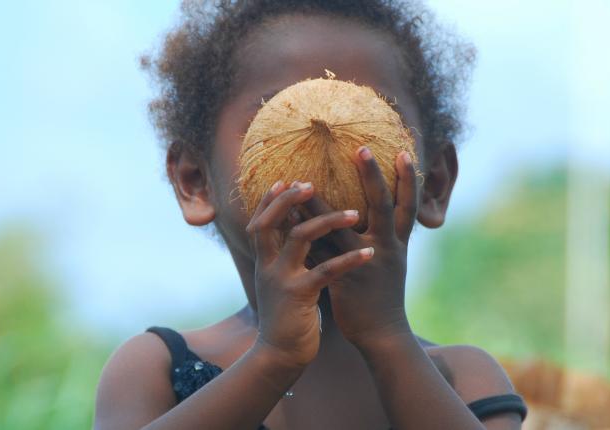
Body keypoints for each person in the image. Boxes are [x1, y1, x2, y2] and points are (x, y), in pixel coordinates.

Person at [94, 1, 527, 429]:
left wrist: (385, 336)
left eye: (373, 113)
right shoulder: (155, 365)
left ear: (432, 183)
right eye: (276, 113)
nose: (326, 128)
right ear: (195, 181)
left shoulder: (461, 375)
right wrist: (274, 358)